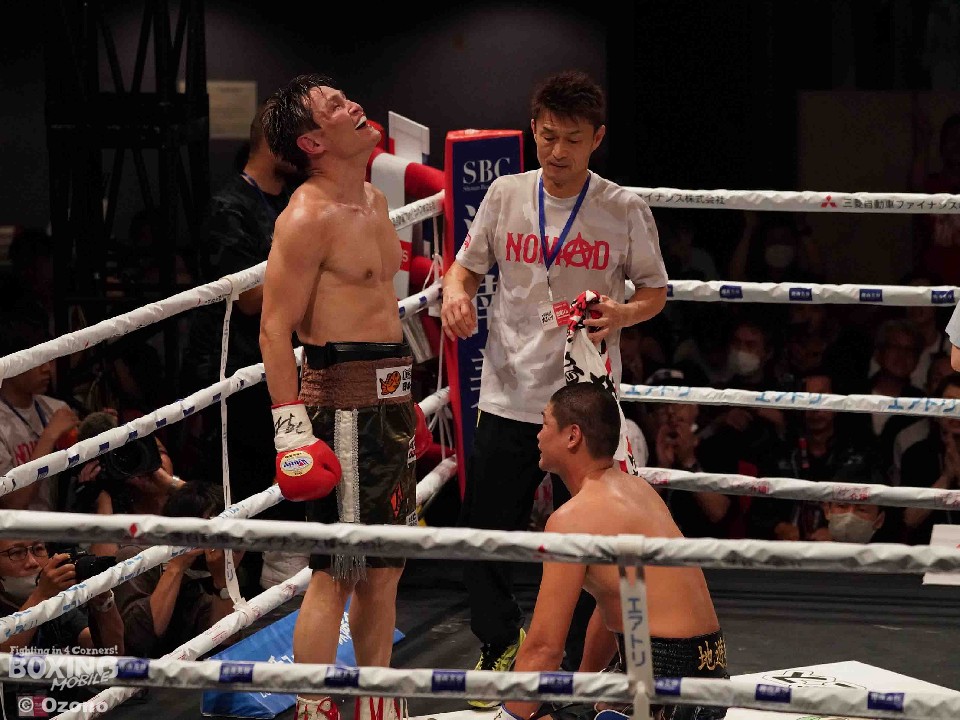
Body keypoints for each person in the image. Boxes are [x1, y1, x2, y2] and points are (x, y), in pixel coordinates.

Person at [440, 69, 668, 692]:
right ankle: (499, 642)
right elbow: (463, 268)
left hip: (584, 400)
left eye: (572, 139)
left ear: (597, 138)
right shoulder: (505, 194)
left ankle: (576, 659)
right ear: (533, 131)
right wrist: (456, 295)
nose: (558, 151)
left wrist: (622, 314)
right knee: (486, 529)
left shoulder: (623, 207)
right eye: (547, 136)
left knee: (597, 532)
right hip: (508, 389)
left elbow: (655, 291)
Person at [258, 73, 418, 720]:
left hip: (391, 404)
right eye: (334, 106)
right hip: (342, 410)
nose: (354, 105)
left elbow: (380, 311)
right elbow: (274, 330)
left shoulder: (374, 202)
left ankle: (380, 705)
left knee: (386, 569)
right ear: (313, 142)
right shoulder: (307, 217)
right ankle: (313, 708)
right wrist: (292, 434)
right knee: (338, 571)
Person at [497, 383, 727, 720]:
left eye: (545, 423)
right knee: (565, 705)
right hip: (710, 683)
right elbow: (619, 602)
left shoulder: (570, 520)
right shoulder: (639, 489)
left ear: (572, 436)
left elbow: (544, 648)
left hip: (658, 689)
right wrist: (582, 689)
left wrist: (507, 717)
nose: (538, 435)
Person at [181, 101, 305, 594]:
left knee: (287, 478)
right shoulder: (228, 207)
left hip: (282, 363)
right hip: (235, 371)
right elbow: (251, 299)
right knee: (244, 487)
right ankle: (232, 600)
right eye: (295, 138)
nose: (305, 149)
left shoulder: (295, 199)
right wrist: (306, 252)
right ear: (273, 142)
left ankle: (275, 592)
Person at [113, 482, 241, 657]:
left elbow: (225, 648)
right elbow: (138, 641)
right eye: (209, 527)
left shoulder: (216, 566)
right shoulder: (138, 558)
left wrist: (224, 581)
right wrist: (177, 565)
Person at [0, 539, 124, 710]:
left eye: (38, 549)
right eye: (16, 553)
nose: (33, 562)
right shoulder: (44, 596)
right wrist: (40, 596)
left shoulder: (55, 602)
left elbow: (111, 651)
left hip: (61, 705)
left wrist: (103, 601)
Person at [0, 314, 80, 511]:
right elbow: (13, 502)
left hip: (61, 524)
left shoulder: (57, 409)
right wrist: (49, 437)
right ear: (11, 363)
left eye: (48, 359)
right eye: (37, 360)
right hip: (18, 529)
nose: (47, 369)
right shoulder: (3, 423)